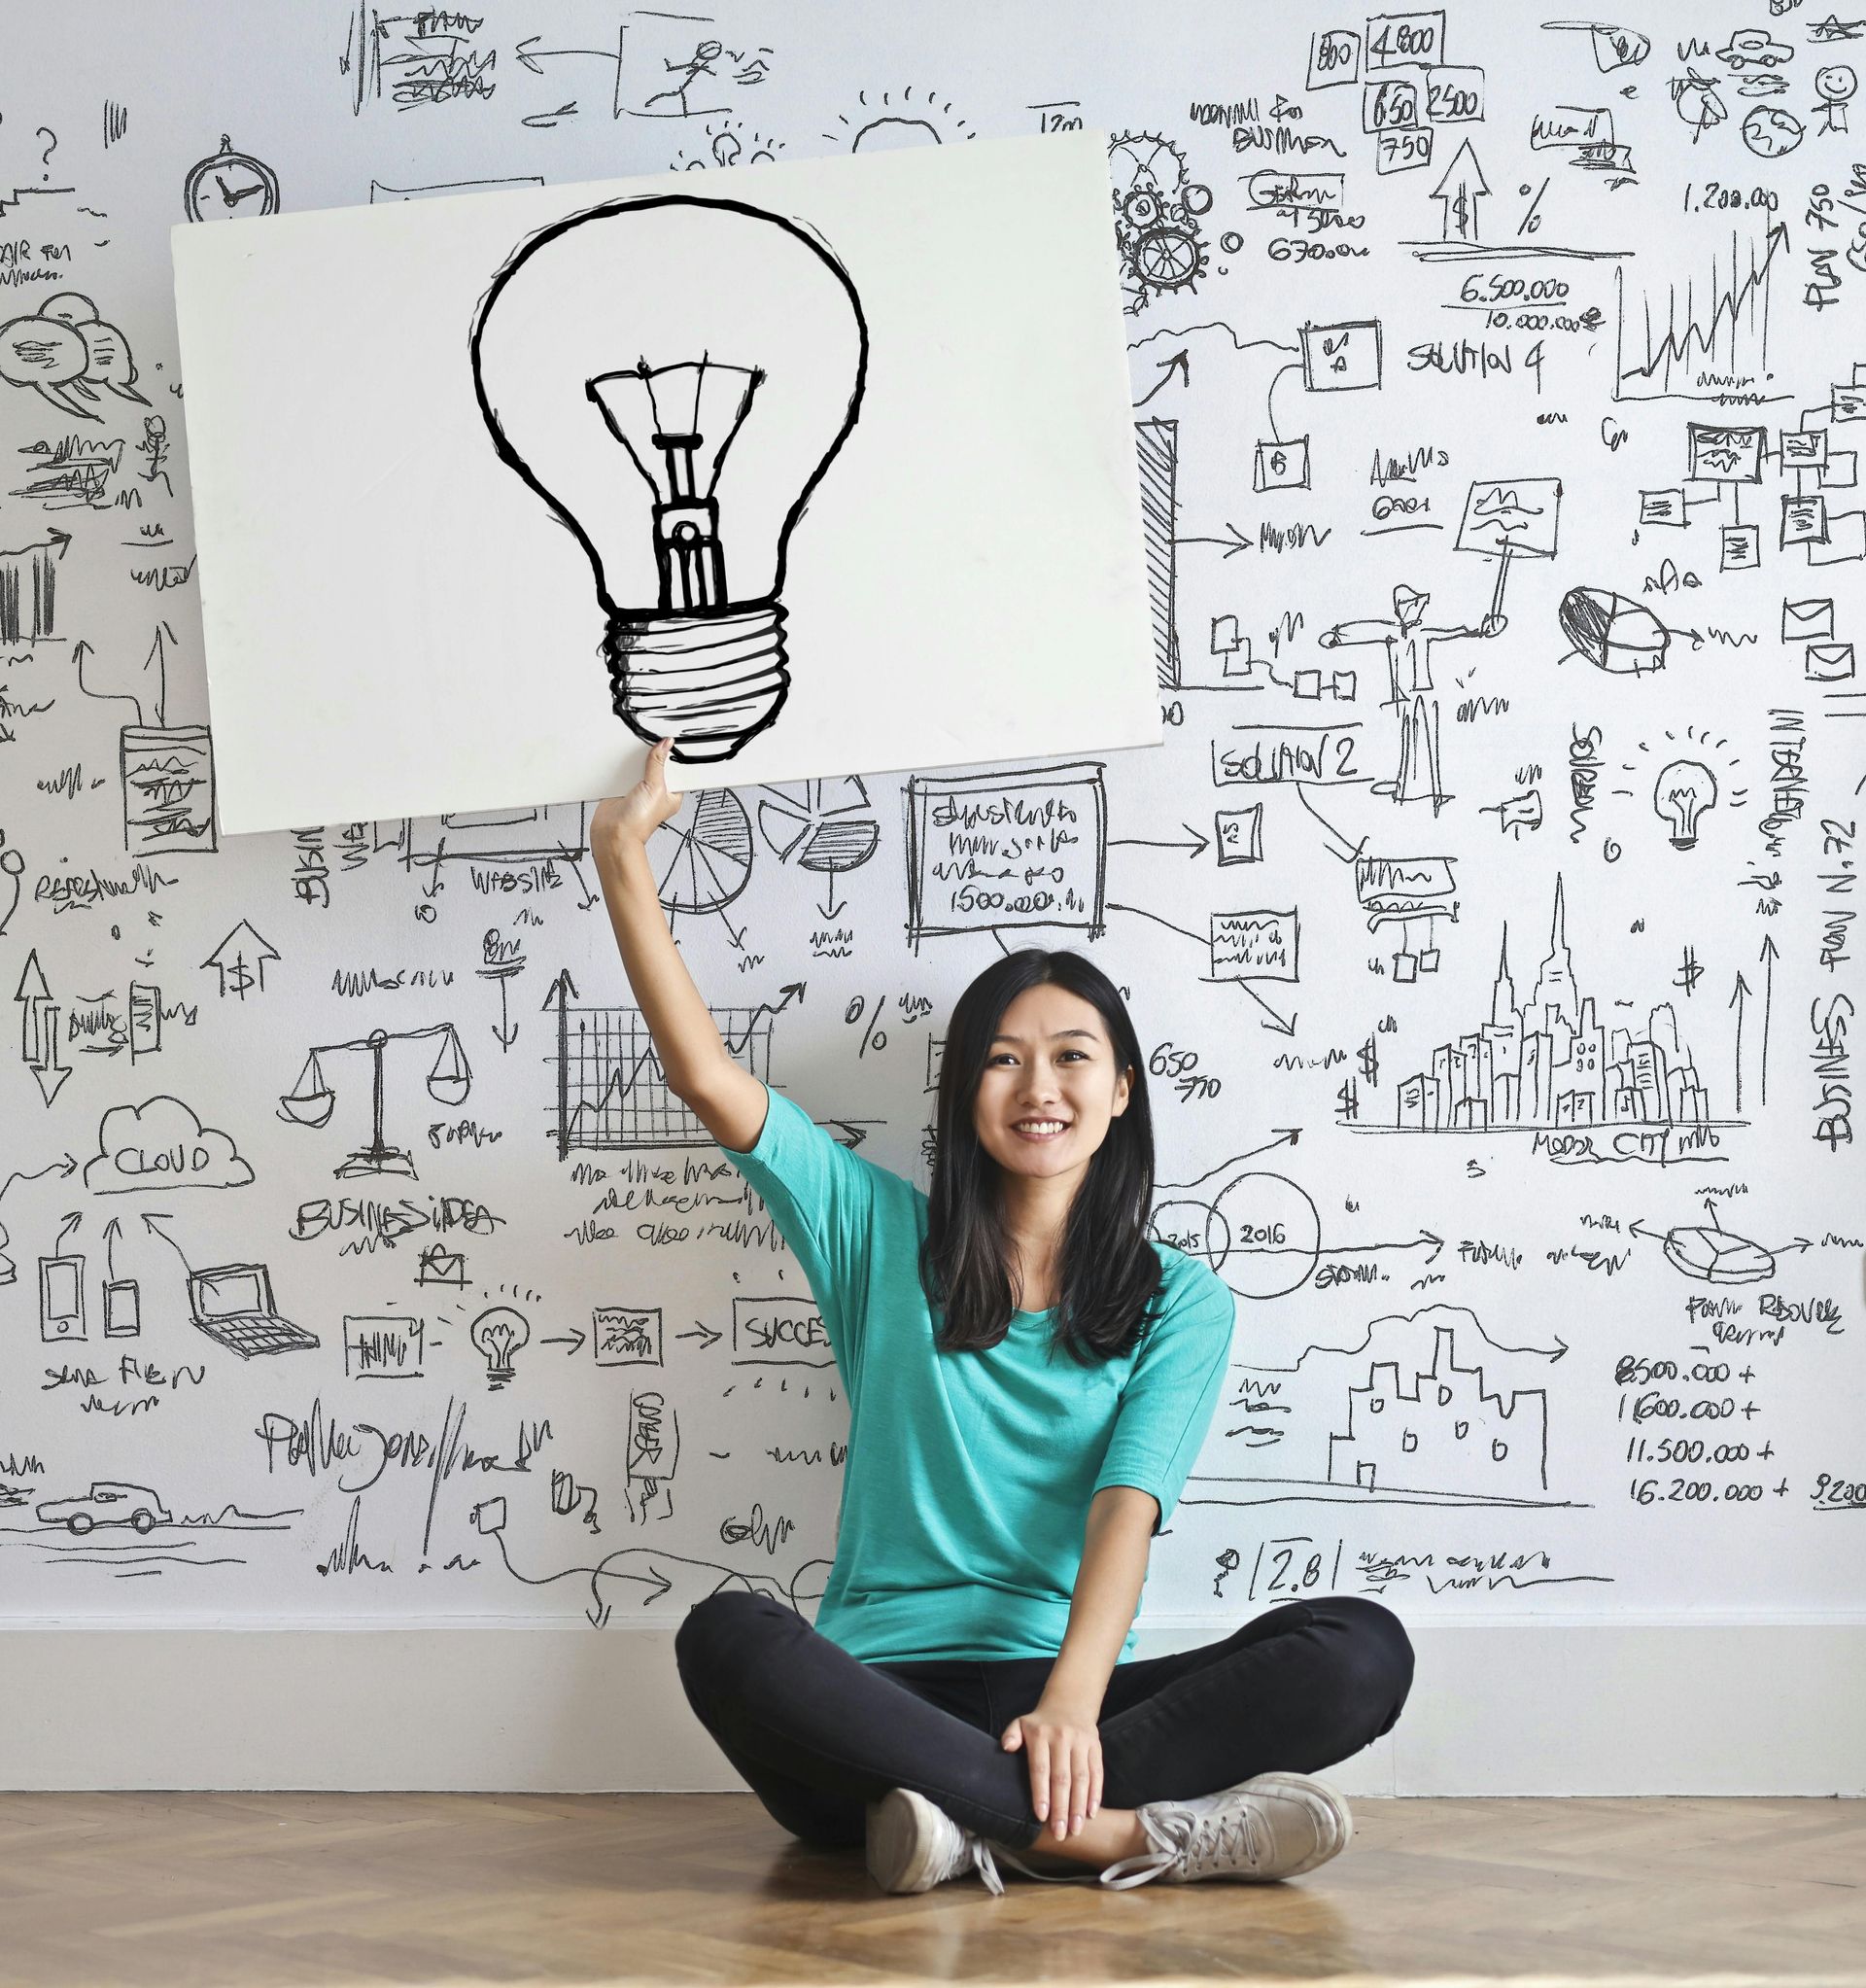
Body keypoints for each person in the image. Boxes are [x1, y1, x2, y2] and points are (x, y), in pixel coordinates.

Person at [589, 739, 1415, 1896]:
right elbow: (707, 1075)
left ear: (1121, 1088)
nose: (1040, 1087)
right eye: (1003, 1060)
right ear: (963, 1094)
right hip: (875, 1694)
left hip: (1072, 1697)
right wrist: (621, 852)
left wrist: (1072, 1700)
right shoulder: (874, 1233)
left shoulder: (1184, 1298)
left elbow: (1126, 1509)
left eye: (1073, 1056)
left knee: (1360, 1648)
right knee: (727, 1635)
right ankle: (1115, 1838)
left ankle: (955, 1822)